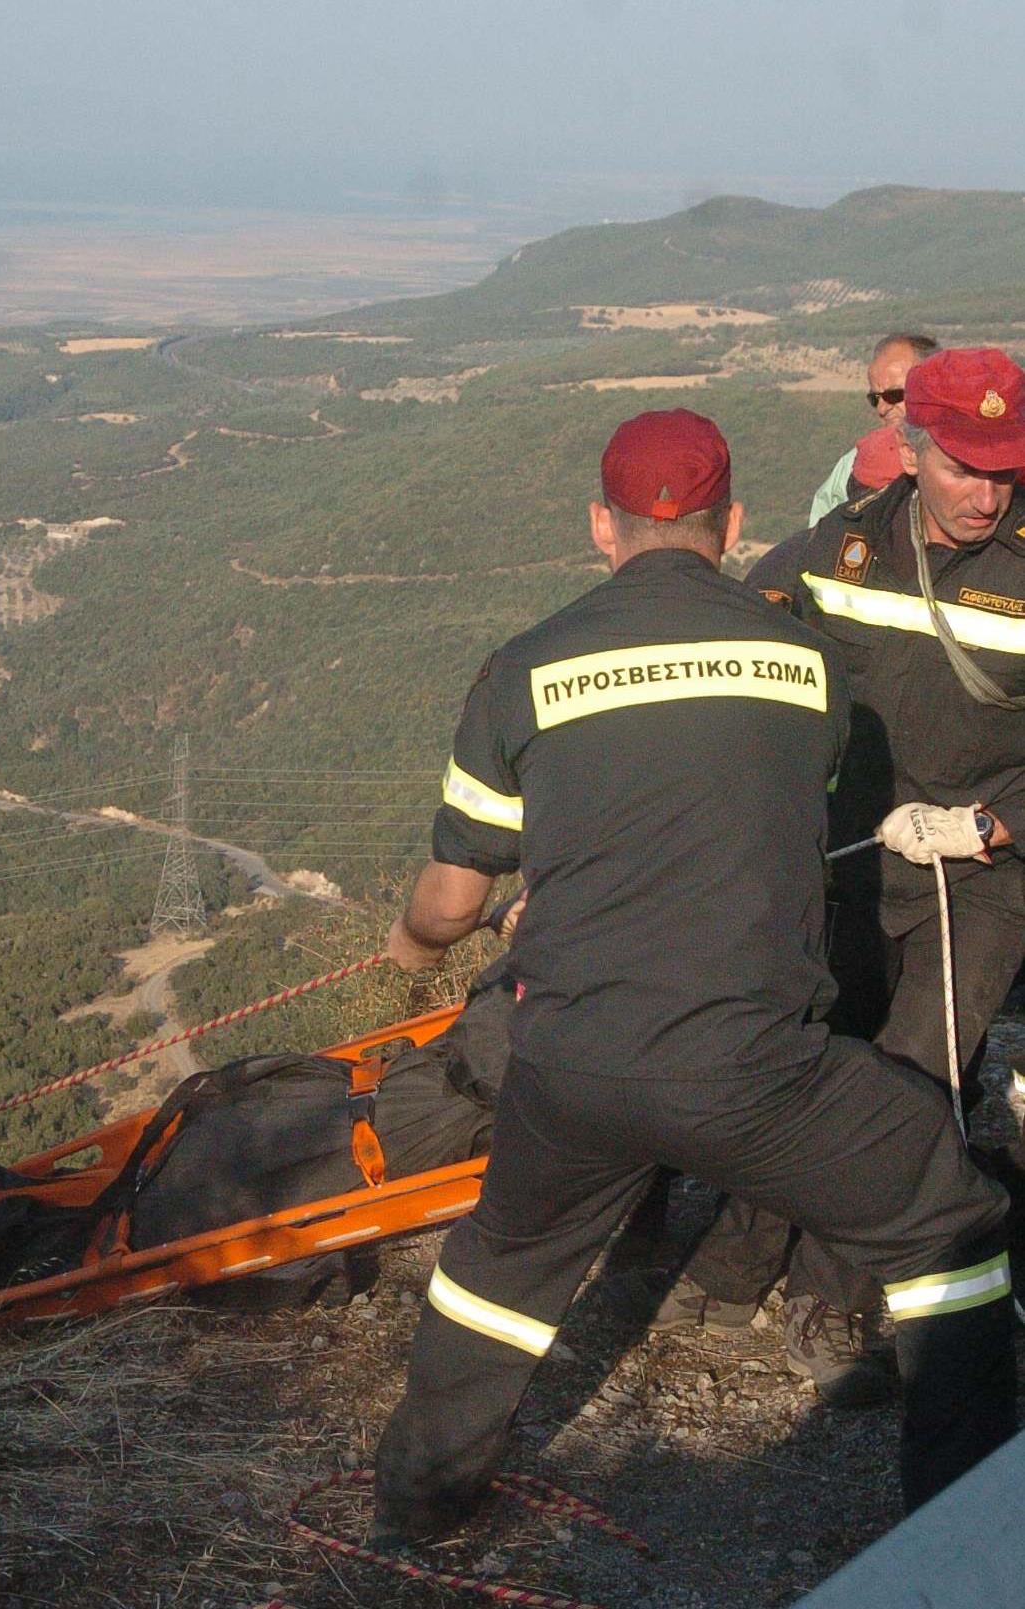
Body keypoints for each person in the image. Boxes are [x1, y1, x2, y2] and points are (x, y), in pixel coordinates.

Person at [369, 408, 1013, 1545]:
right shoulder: (808, 668)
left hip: (569, 1060)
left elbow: (452, 899)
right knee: (940, 1212)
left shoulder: (521, 668)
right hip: (753, 1067)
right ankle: (963, 1521)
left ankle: (419, 1502)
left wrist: (415, 947)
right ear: (731, 526)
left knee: (497, 1269)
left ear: (596, 528)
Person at [671, 347, 1025, 1390]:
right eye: (964, 466)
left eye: (1004, 467)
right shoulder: (843, 547)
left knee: (910, 1082)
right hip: (853, 859)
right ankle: (740, 1254)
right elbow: (745, 638)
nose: (986, 492)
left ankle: (832, 1296)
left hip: (981, 878)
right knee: (810, 1061)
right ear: (912, 449)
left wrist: (993, 827)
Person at [806, 333, 937, 525]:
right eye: (875, 399)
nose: (882, 409)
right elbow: (818, 540)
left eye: (894, 395)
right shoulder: (852, 465)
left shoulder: (970, 453)